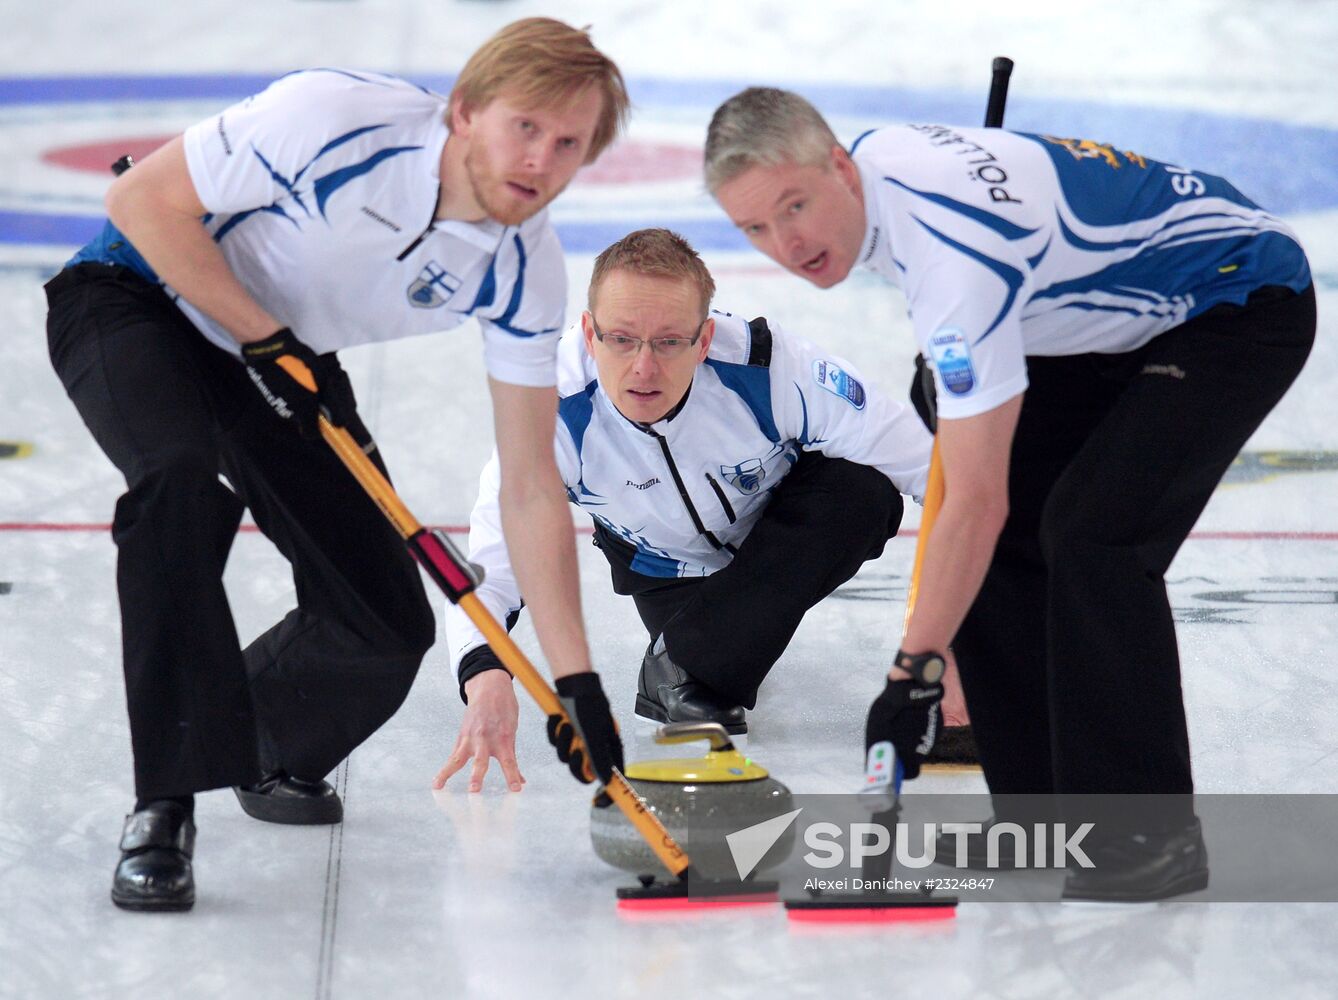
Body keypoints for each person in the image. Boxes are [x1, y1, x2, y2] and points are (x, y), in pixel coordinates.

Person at [43, 18, 630, 912]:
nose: (541, 160)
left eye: (569, 145)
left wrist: (578, 682)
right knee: (177, 485)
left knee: (386, 617)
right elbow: (139, 205)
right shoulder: (336, 118)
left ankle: (251, 735)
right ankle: (163, 806)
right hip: (138, 294)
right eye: (526, 126)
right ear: (467, 109)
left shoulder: (523, 270)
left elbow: (531, 484)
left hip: (283, 354)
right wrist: (263, 338)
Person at [705, 88, 1315, 901]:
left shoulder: (955, 265)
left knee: (1093, 535)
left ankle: (1145, 836)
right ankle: (1041, 821)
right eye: (756, 228)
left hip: (1235, 301)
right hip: (1085, 318)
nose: (788, 242)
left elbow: (974, 500)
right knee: (1001, 529)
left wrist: (912, 668)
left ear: (841, 168)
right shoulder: (886, 188)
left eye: (796, 206)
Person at [434, 228, 939, 792]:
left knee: (865, 493)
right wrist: (484, 675)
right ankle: (690, 659)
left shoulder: (772, 369)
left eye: (669, 342)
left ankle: (691, 660)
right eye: (621, 340)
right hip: (665, 572)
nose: (643, 368)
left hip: (777, 538)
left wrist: (953, 649)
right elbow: (494, 559)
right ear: (587, 333)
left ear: (704, 339)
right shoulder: (550, 410)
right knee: (707, 673)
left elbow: (935, 472)